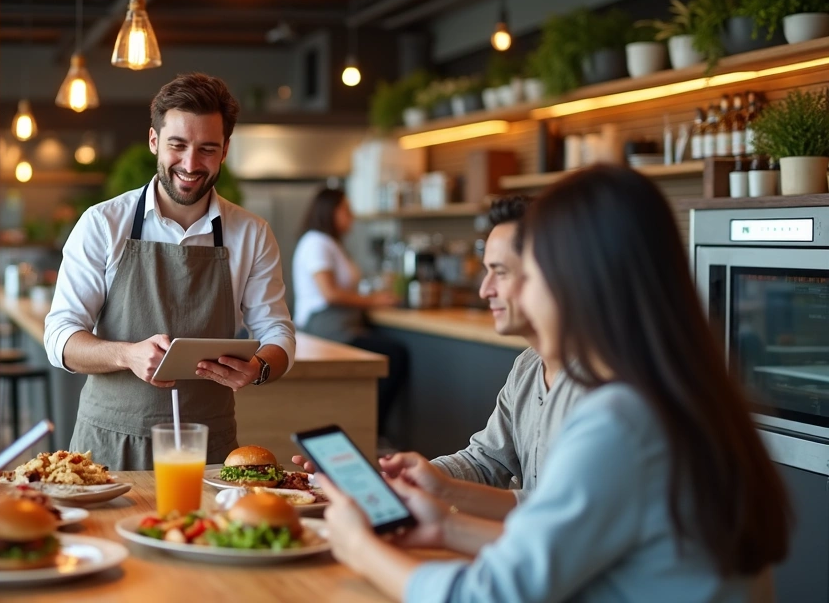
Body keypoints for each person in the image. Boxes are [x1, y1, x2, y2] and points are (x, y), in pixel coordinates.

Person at [320, 166, 790, 601]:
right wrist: (446, 527)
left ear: (579, 281)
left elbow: (492, 595)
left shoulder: (622, 420)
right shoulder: (674, 390)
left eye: (530, 272)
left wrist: (359, 547)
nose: (512, 291)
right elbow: (574, 546)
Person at [44, 73, 296, 470]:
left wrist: (259, 368)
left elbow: (277, 331)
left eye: (207, 149)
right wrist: (127, 355)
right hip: (108, 444)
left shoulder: (251, 233)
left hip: (208, 446)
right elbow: (60, 339)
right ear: (154, 141)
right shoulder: (103, 223)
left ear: (225, 150)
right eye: (177, 145)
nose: (191, 164)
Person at [294, 195, 586, 521]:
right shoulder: (527, 367)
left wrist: (441, 507)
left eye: (499, 272)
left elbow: (566, 515)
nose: (484, 290)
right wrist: (397, 477)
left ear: (551, 274)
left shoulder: (602, 390)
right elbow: (486, 460)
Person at [291, 187, 407, 439]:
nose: (350, 217)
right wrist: (373, 301)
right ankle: (372, 431)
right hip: (326, 325)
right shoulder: (316, 242)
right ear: (329, 212)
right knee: (395, 355)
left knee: (389, 352)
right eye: (345, 210)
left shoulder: (330, 244)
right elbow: (329, 293)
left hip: (340, 323)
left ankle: (369, 429)